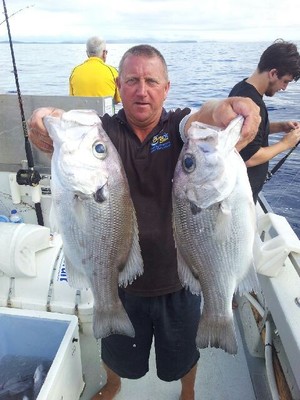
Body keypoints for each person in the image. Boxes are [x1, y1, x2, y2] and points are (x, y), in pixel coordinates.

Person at [28, 44, 260, 400]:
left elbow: (206, 116)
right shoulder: (101, 134)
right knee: (117, 353)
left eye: (152, 80)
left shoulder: (182, 129)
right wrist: (43, 115)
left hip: (178, 277)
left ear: (166, 88)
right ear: (118, 86)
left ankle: (188, 391)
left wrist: (226, 108)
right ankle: (114, 383)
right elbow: (62, 119)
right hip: (120, 277)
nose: (142, 89)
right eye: (132, 80)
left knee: (183, 355)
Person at [228, 39, 300, 203]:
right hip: (239, 199)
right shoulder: (251, 101)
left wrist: (280, 126)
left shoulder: (243, 89)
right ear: (273, 73)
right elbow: (248, 157)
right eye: (285, 81)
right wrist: (285, 143)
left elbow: (250, 133)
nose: (284, 88)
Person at [69, 36, 121, 104]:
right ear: (104, 53)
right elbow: (118, 100)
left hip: (81, 114)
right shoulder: (113, 72)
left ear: (87, 53)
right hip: (105, 114)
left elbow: (72, 99)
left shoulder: (74, 71)